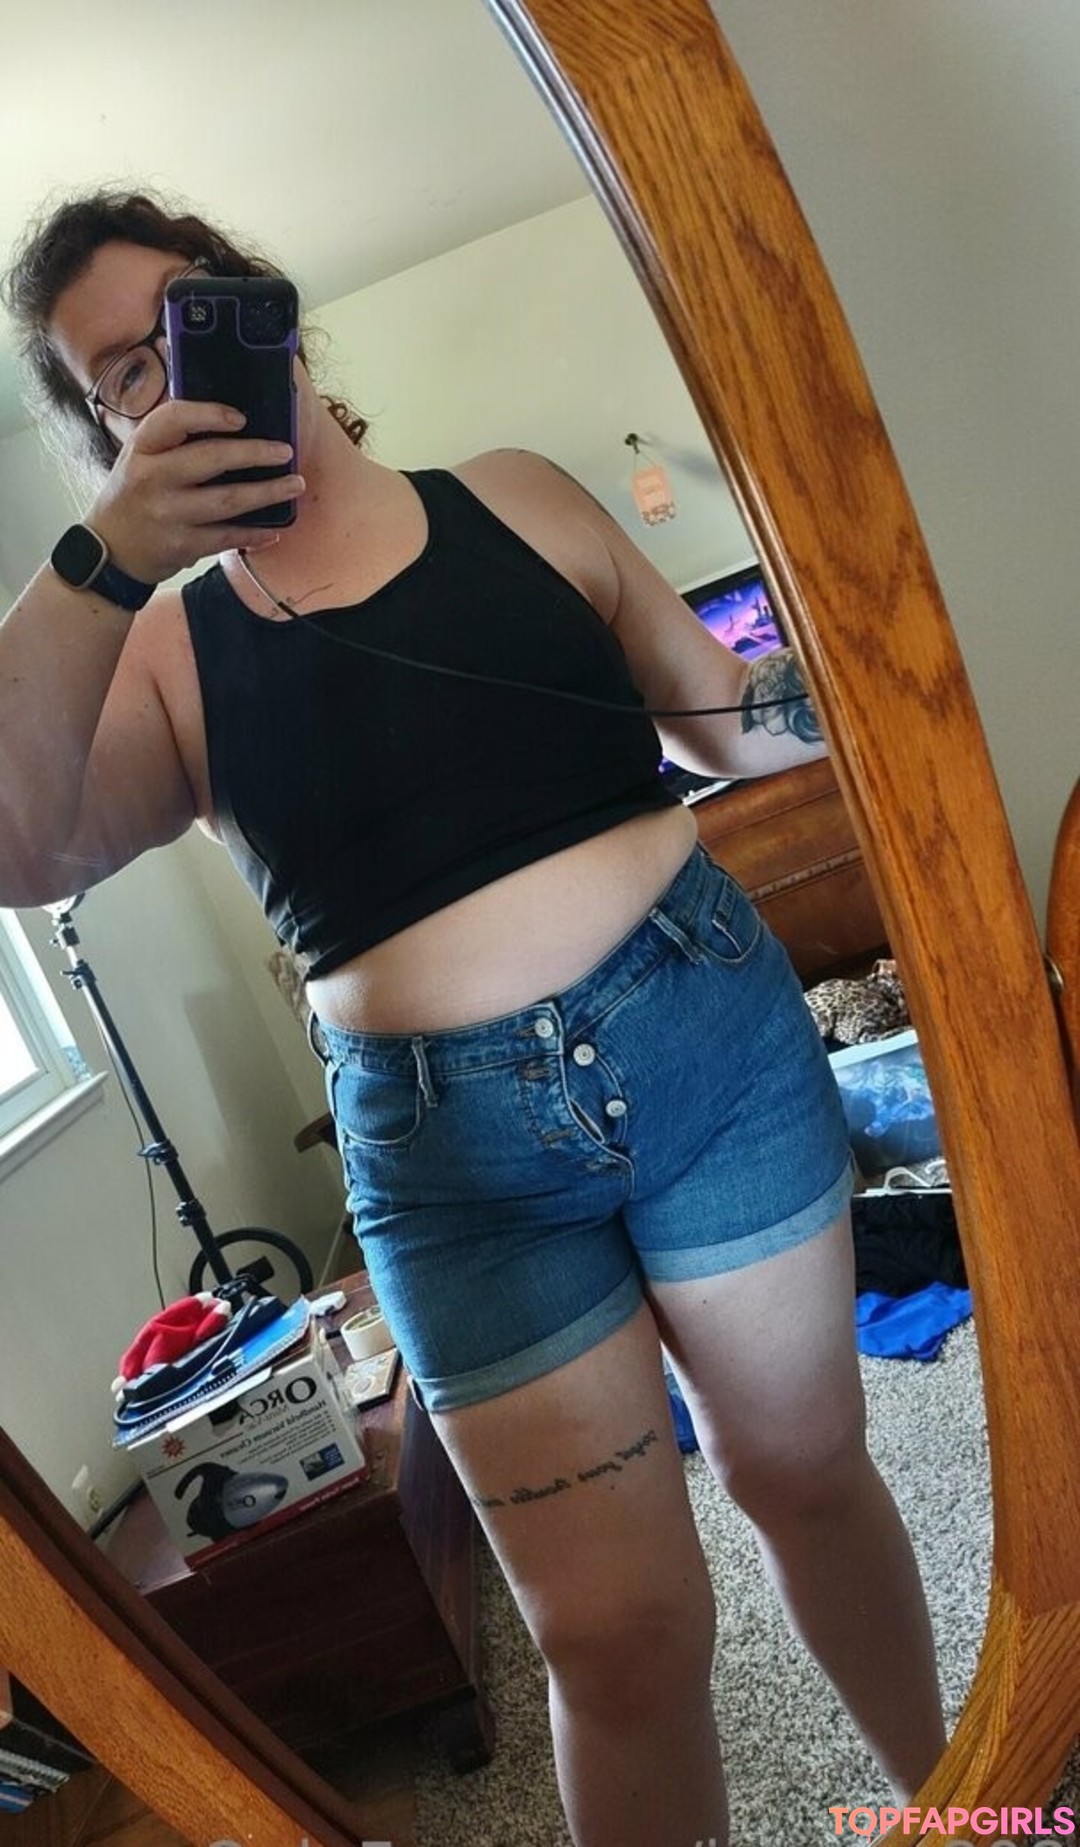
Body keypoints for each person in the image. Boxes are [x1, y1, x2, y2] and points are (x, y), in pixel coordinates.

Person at [0, 189, 945, 1846]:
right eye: (122, 375)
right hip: (456, 1172)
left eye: (192, 319)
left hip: (714, 1049)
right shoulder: (158, 654)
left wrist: (876, 649)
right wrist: (97, 562)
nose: (175, 374)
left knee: (807, 1473)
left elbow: (724, 720)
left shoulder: (519, 494)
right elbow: (18, 848)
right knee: (616, 1634)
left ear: (269, 308)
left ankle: (972, 1809)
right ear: (105, 438)